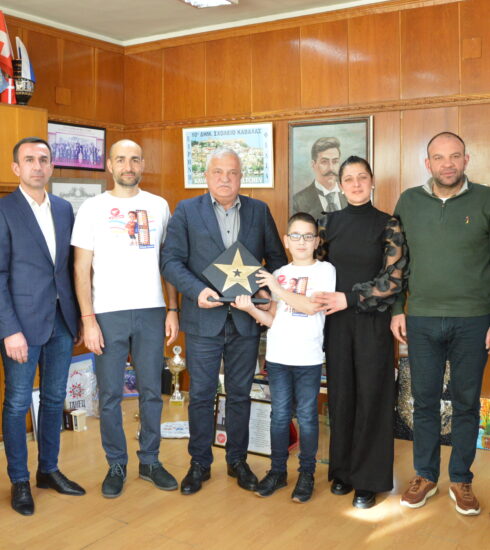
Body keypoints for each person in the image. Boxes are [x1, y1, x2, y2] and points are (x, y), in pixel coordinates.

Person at [161, 148, 287, 495]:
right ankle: (199, 463)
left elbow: (277, 260)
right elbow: (170, 261)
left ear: (241, 176)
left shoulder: (259, 211)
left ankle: (237, 460)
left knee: (240, 395)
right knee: (201, 395)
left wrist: (265, 292)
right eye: (218, 172)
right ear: (206, 176)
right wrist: (196, 290)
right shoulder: (187, 210)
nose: (225, 178)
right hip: (203, 319)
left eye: (232, 172)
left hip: (247, 320)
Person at [72, 139, 179, 498]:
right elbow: (81, 267)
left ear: (142, 164)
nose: (128, 166)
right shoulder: (92, 208)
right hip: (107, 313)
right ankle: (116, 464)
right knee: (110, 396)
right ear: (109, 165)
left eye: (134, 159)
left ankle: (150, 460)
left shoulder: (159, 205)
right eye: (121, 159)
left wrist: (172, 308)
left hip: (151, 311)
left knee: (152, 392)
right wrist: (88, 319)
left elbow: (168, 262)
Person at [391, 132, 490, 516]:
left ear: (466, 159)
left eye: (454, 156)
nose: (447, 164)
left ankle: (461, 479)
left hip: (474, 320)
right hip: (421, 318)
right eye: (438, 157)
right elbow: (396, 260)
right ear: (427, 163)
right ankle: (425, 475)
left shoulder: (485, 199)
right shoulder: (408, 201)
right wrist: (397, 308)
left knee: (466, 404)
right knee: (425, 402)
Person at [313, 155, 406, 509]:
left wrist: (350, 298)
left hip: (372, 323)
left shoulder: (388, 224)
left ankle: (368, 481)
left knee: (372, 399)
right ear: (340, 184)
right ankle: (343, 471)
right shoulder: (328, 223)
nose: (355, 184)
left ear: (372, 181)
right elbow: (316, 268)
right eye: (348, 178)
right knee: (341, 397)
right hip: (336, 323)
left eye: (361, 177)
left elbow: (393, 280)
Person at [0, 137, 85, 516]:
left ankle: (48, 470)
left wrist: (78, 317)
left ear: (52, 166)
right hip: (20, 327)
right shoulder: (4, 210)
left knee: (53, 399)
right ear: (16, 168)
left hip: (61, 322)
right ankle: (19, 480)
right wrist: (9, 330)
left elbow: (68, 269)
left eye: (44, 159)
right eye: (30, 160)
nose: (38, 166)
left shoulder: (64, 209)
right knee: (18, 403)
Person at [233, 212, 336, 503]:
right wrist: (250, 308)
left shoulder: (325, 270)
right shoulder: (279, 273)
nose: (301, 241)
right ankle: (277, 471)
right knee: (279, 416)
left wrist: (277, 288)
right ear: (286, 241)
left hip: (308, 358)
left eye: (308, 236)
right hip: (278, 357)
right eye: (295, 236)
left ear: (316, 241)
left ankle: (306, 474)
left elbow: (311, 306)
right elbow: (273, 320)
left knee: (307, 417)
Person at [292, 137, 347, 220]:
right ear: (313, 165)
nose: (331, 168)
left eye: (335, 161)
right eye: (324, 162)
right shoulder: (298, 202)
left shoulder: (351, 196)